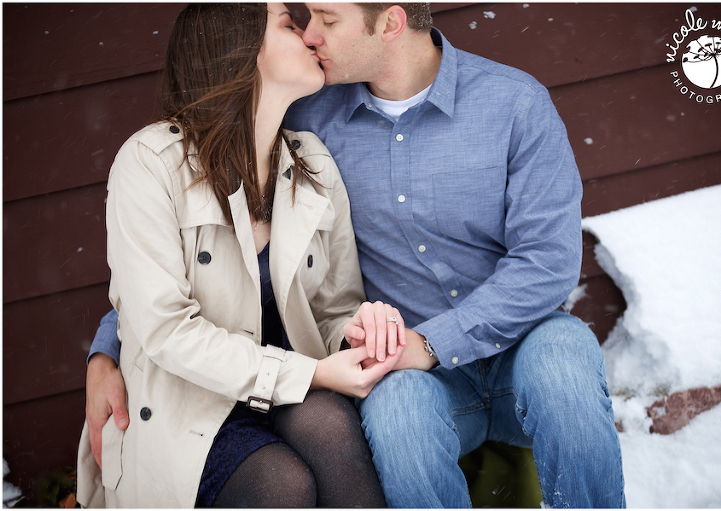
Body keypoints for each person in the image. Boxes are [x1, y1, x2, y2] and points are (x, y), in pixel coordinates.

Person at [85, 3, 626, 508]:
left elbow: (547, 262)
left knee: (563, 357)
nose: (311, 35)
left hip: (513, 347)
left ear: (390, 23)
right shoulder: (308, 115)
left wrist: (421, 342)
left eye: (326, 19)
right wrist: (108, 349)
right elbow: (171, 278)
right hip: (398, 372)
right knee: (395, 413)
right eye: (299, 22)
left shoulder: (512, 104)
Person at [76, 3, 408, 508]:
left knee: (330, 429)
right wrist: (312, 374)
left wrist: (357, 333)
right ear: (239, 49)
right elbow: (166, 329)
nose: (310, 36)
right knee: (281, 484)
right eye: (290, 25)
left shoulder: (312, 162)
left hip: (290, 390)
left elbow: (335, 306)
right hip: (190, 404)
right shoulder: (150, 164)